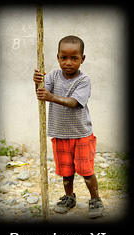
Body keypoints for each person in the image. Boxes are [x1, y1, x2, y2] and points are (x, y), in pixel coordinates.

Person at [33, 35, 104, 218]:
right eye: (63, 57)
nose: (68, 62)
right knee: (66, 171)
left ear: (82, 59)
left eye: (74, 58)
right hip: (60, 134)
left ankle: (95, 199)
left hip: (81, 134)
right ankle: (68, 197)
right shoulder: (53, 76)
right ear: (58, 57)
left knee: (86, 171)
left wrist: (52, 98)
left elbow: (74, 102)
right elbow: (42, 94)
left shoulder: (83, 80)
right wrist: (37, 82)